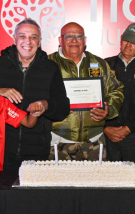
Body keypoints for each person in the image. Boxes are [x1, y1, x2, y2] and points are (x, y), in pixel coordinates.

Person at [0, 19, 70, 172]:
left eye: (33, 37)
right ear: (14, 39)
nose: (27, 42)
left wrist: (45, 105)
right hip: (0, 151)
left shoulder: (50, 68)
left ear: (40, 41)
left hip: (37, 152)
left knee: (32, 196)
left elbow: (63, 108)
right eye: (22, 36)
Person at [49, 22, 124, 161]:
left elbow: (116, 90)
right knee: (59, 182)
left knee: (96, 182)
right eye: (69, 36)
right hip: (59, 139)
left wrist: (109, 109)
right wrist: (54, 109)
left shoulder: (99, 64)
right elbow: (38, 96)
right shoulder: (48, 63)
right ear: (60, 40)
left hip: (94, 140)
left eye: (79, 36)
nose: (74, 41)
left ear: (85, 40)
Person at [103, 23, 135, 170]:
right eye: (126, 40)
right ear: (120, 40)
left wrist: (129, 128)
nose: (128, 44)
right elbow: (93, 99)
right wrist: (105, 128)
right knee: (106, 182)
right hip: (107, 134)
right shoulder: (104, 65)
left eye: (134, 41)